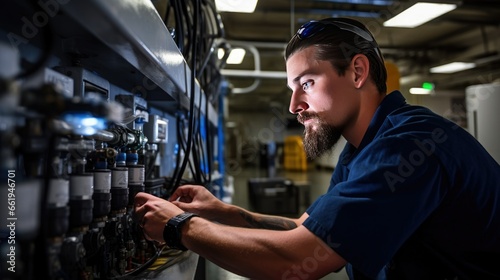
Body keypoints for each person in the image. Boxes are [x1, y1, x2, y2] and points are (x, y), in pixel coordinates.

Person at [134, 17, 500, 279]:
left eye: (307, 82)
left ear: (357, 72)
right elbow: (308, 229)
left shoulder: (409, 145)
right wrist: (220, 211)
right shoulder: (360, 150)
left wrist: (179, 226)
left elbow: (295, 262)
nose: (294, 105)